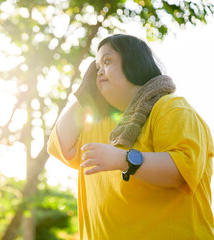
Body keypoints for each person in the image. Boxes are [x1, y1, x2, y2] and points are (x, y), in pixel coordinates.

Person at [47, 34, 214, 239]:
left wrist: (122, 159)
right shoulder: (100, 123)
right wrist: (84, 95)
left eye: (107, 61)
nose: (99, 72)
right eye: (96, 68)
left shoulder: (170, 108)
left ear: (134, 63)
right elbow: (62, 147)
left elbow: (181, 170)